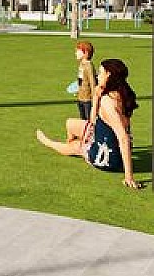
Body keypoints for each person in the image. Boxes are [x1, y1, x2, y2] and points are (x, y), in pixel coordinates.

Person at [36, 57, 141, 189]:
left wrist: (129, 176)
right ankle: (75, 142)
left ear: (109, 75)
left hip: (106, 158)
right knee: (70, 123)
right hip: (106, 138)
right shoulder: (121, 93)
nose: (98, 75)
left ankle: (49, 143)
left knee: (75, 147)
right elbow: (92, 120)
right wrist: (96, 97)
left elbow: (123, 137)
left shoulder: (108, 102)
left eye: (101, 72)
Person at [70, 39, 98, 124]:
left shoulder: (89, 65)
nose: (76, 53)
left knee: (89, 121)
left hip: (87, 98)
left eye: (78, 51)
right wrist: (77, 90)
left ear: (85, 53)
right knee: (82, 120)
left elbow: (93, 82)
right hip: (80, 96)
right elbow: (80, 79)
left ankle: (90, 136)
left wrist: (94, 98)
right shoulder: (81, 65)